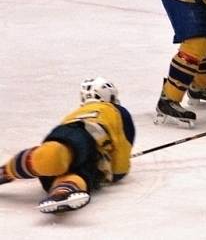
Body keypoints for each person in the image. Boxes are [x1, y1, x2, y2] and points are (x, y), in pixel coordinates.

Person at [0, 77, 135, 214]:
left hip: (76, 138)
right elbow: (123, 143)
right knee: (64, 164)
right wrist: (117, 172)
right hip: (90, 141)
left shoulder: (75, 113)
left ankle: (12, 172)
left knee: (57, 159)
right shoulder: (117, 110)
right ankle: (64, 190)